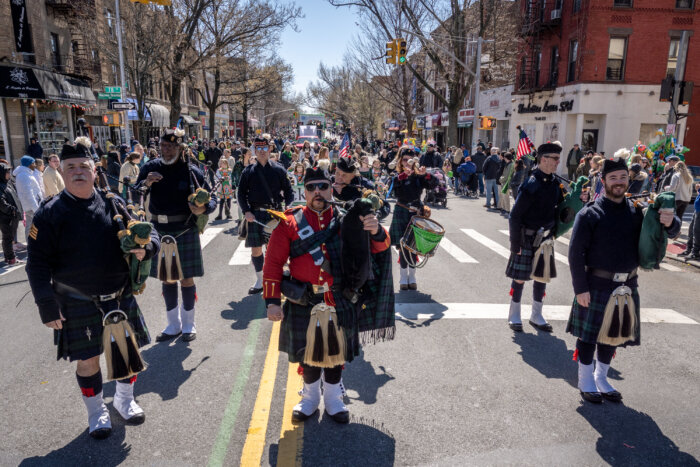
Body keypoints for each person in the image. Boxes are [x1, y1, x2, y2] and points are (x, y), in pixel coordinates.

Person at [25, 140, 160, 438]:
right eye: (70, 167)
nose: (77, 172)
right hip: (76, 300)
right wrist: (46, 303)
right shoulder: (50, 213)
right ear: (62, 170)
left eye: (83, 166)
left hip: (119, 295)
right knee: (87, 361)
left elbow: (148, 232)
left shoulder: (113, 203)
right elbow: (35, 264)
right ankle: (96, 410)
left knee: (126, 353)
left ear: (94, 169)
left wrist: (148, 248)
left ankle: (125, 401)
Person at [263, 166, 394, 424]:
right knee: (307, 353)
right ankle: (310, 398)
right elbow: (273, 263)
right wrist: (271, 301)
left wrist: (376, 229)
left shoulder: (348, 217)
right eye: (311, 187)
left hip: (339, 297)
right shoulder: (290, 222)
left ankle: (334, 398)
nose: (317, 192)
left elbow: (381, 245)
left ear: (331, 188)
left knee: (336, 353)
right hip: (305, 300)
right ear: (304, 191)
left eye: (322, 186)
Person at [566, 157, 679, 403]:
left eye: (622, 177)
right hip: (595, 284)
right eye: (613, 178)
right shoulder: (589, 213)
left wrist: (671, 222)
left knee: (612, 335)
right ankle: (585, 379)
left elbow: (664, 230)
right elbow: (575, 254)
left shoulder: (637, 211)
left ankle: (601, 378)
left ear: (629, 180)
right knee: (588, 336)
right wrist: (580, 288)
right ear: (603, 181)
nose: (618, 182)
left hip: (627, 285)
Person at [137, 129, 217, 342]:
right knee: (167, 278)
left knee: (186, 279)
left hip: (184, 229)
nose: (166, 149)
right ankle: (173, 325)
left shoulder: (191, 171)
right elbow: (134, 191)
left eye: (171, 146)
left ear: (181, 148)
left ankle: (189, 324)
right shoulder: (150, 168)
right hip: (159, 229)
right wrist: (146, 183)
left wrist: (203, 209)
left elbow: (212, 199)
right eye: (163, 145)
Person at [506, 143, 587, 333]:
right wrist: (515, 243)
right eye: (555, 159)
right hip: (527, 238)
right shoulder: (531, 183)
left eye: (558, 159)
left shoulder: (555, 183)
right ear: (544, 159)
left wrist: (576, 198)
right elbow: (515, 216)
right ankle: (514, 314)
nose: (558, 162)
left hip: (546, 239)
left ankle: (536, 315)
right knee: (519, 279)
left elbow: (563, 208)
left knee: (541, 278)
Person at [237, 135, 294, 295]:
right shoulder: (248, 171)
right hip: (254, 214)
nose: (261, 151)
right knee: (256, 249)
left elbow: (289, 192)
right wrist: (246, 211)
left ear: (270, 149)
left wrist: (288, 207)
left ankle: (275, 278)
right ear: (254, 150)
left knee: (275, 249)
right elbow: (240, 194)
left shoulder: (279, 169)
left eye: (264, 148)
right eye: (258, 148)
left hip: (275, 214)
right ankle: (260, 279)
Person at [389, 146, 435, 291]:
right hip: (401, 211)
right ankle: (403, 278)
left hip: (416, 213)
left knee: (414, 246)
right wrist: (402, 176)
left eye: (410, 160)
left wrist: (425, 175)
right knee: (403, 247)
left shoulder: (418, 175)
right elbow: (392, 191)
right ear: (400, 162)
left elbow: (432, 185)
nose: (408, 162)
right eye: (404, 160)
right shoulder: (397, 176)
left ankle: (413, 277)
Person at [14, 156, 43, 241]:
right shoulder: (24, 175)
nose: (35, 165)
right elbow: (29, 194)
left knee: (32, 226)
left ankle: (32, 245)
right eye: (33, 163)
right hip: (31, 207)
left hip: (32, 206)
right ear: (29, 164)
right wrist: (36, 209)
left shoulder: (26, 173)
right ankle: (31, 245)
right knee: (31, 227)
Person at [0, 163, 23, 265]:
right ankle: (11, 258)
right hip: (6, 217)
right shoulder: (0, 185)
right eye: (7, 172)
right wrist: (12, 210)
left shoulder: (7, 183)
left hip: (11, 215)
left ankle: (8, 257)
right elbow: (1, 203)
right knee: (8, 237)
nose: (9, 174)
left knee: (9, 237)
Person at [664, 161, 694, 226]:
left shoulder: (676, 175)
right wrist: (689, 198)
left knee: (671, 215)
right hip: (686, 199)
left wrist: (666, 188)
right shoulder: (689, 177)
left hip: (677, 198)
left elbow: (672, 188)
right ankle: (678, 230)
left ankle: (671, 230)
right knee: (680, 216)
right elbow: (690, 190)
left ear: (676, 167)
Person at [680, 183, 700, 260]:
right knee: (692, 229)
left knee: (696, 231)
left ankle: (695, 252)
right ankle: (690, 249)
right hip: (698, 207)